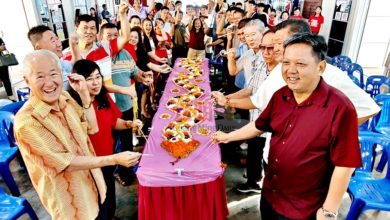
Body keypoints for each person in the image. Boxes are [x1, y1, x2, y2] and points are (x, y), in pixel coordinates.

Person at [213, 33, 362, 219]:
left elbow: (345, 164)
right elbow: (259, 126)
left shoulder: (340, 107)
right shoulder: (281, 95)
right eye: (286, 62)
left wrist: (329, 211)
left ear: (321, 67)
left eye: (300, 64)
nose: (291, 70)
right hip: (271, 195)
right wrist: (227, 137)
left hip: (304, 207)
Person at [14, 50, 141, 219]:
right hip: (73, 203)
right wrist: (114, 159)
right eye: (40, 76)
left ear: (61, 74)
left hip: (95, 185)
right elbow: (65, 163)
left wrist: (84, 95)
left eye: (53, 74)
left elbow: (91, 128)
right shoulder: (27, 122)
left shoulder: (65, 99)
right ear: (27, 80)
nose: (49, 82)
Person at [68, 59, 143, 219]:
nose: (95, 83)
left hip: (108, 156)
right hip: (88, 164)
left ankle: (111, 215)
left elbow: (114, 122)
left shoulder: (103, 97)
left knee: (109, 191)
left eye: (97, 77)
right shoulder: (72, 106)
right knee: (95, 199)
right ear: (77, 82)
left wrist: (129, 123)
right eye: (89, 79)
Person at [214, 19, 268, 193]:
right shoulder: (250, 53)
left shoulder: (266, 56)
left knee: (259, 145)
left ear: (264, 33)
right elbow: (239, 77)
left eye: (253, 34)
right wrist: (227, 98)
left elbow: (257, 95)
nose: (249, 38)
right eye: (245, 35)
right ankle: (255, 177)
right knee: (256, 145)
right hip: (254, 106)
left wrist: (227, 100)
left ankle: (256, 180)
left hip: (264, 110)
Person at [27, 25, 80, 89]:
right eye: (53, 41)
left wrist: (73, 45)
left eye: (57, 39)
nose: (59, 44)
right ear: (39, 48)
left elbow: (74, 66)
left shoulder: (58, 62)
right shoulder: (39, 74)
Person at [0, 36, 17, 101]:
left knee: (6, 79)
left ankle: (10, 95)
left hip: (2, 61)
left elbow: (4, 48)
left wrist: (2, 47)